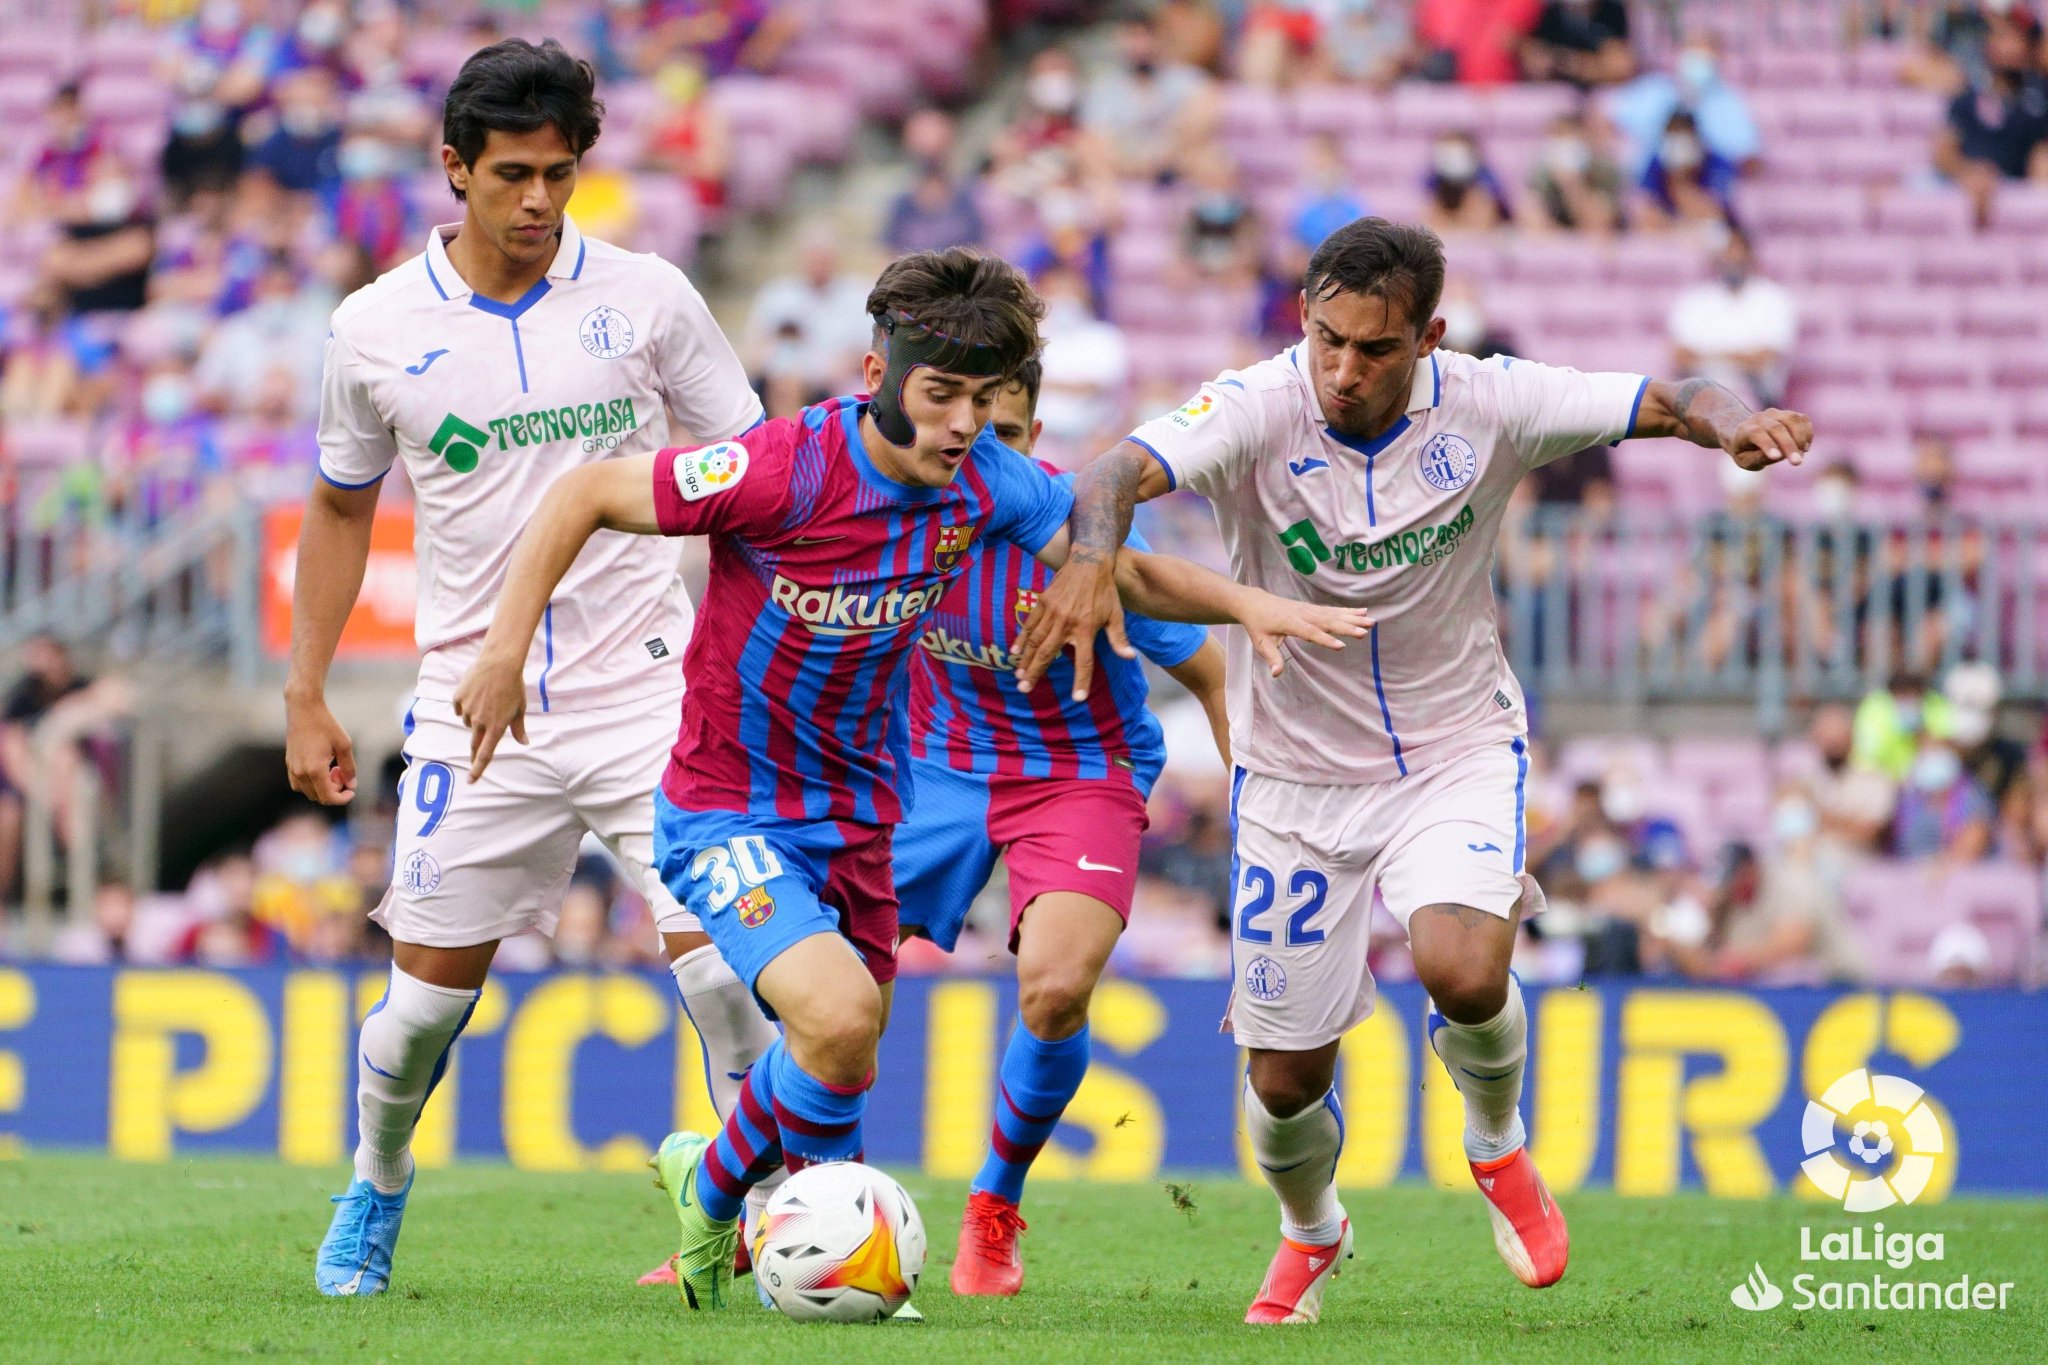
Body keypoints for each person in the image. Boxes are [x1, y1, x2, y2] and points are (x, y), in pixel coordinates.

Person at [451, 247, 1374, 1312]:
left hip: (860, 812)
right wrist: (504, 651)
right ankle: (814, 1251)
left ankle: (716, 1192)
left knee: (844, 1052)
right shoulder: (780, 469)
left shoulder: (987, 482)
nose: (963, 423)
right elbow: (583, 492)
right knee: (839, 1019)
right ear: (875, 374)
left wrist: (1248, 605)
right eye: (940, 395)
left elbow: (1117, 566)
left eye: (984, 400)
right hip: (729, 806)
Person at [1013, 216, 1816, 1323]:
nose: (1343, 369)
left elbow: (1674, 398)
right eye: (1327, 339)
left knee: (1463, 968)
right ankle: (1312, 1231)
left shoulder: (1492, 402)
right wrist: (1094, 561)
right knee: (1282, 1081)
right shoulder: (1256, 405)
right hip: (1293, 777)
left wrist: (1737, 423)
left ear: (1429, 338)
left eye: (1375, 348)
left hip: (1454, 748)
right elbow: (1113, 471)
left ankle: (1495, 1142)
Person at [287, 40, 780, 1300]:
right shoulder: (373, 329)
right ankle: (375, 1184)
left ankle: (756, 1221)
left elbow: (756, 477)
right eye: (512, 174)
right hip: (472, 710)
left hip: (652, 697)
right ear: (454, 168)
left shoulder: (649, 299)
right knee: (418, 1016)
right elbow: (340, 507)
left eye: (559, 174)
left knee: (727, 972)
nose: (539, 201)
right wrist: (305, 691)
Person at [895, 359, 1230, 1294]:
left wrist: (1262, 813)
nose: (975, 453)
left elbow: (1208, 672)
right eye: (959, 428)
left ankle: (994, 1203)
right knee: (823, 983)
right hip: (935, 765)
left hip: (1079, 770)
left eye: (1001, 435)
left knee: (1052, 988)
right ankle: (756, 1200)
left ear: (1034, 439)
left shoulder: (1079, 533)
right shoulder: (896, 512)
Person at [1934, 17, 2048, 225]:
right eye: (2002, 38)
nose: (2009, 47)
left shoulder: (2040, 97)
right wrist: (1968, 171)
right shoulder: (1968, 94)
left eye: (2017, 39)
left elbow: (2041, 157)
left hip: (2017, 186)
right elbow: (1944, 151)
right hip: (1967, 179)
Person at [1667, 228, 1795, 409]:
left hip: (1753, 397)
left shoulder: (1774, 298)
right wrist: (1738, 357)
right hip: (1700, 397)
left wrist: (1706, 356)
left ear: (1750, 255)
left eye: (1737, 253)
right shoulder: (1694, 298)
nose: (1732, 260)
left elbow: (1762, 360)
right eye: (1727, 253)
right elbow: (1681, 356)